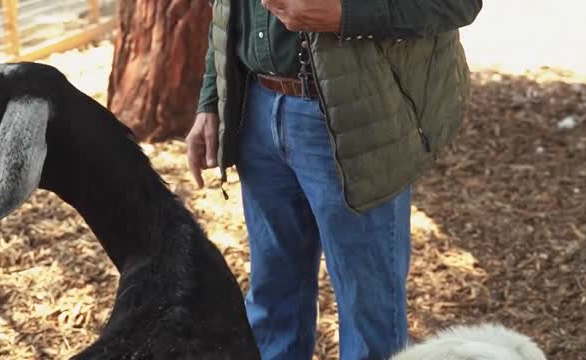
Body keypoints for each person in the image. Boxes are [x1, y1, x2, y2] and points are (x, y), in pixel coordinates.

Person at [186, 1, 482, 359]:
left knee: (368, 314)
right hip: (256, 112)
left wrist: (348, 15)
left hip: (357, 122)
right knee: (272, 299)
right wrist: (212, 99)